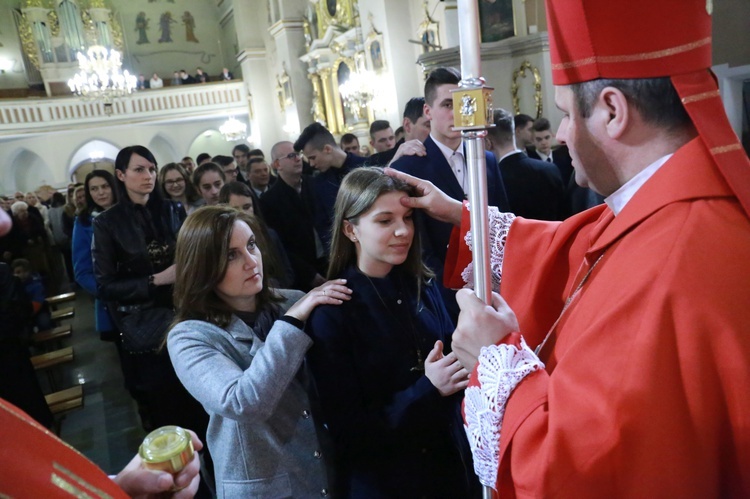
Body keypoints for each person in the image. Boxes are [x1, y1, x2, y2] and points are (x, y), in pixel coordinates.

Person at [385, 0, 750, 495]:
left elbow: (588, 469)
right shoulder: (682, 209)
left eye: (564, 113)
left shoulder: (673, 260)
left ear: (613, 111)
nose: (559, 134)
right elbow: (575, 248)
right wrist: (459, 214)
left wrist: (495, 361)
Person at [305, 167, 474, 497]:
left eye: (408, 218)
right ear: (351, 229)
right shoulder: (334, 310)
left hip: (448, 468)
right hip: (388, 481)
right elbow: (349, 431)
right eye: (385, 221)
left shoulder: (422, 285)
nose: (402, 231)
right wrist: (428, 388)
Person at [167, 205, 351, 498]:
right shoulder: (190, 336)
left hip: (322, 469)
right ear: (203, 266)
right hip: (263, 487)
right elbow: (244, 403)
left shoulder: (292, 301)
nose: (252, 261)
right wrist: (291, 321)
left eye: (251, 245)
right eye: (232, 255)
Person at [92, 146, 210, 446]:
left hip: (186, 314)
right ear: (121, 175)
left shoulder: (172, 210)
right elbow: (105, 285)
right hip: (147, 323)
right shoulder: (107, 222)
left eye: (152, 169)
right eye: (139, 170)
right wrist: (154, 279)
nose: (149, 176)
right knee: (168, 410)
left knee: (202, 404)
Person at [390, 67, 509, 322]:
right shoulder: (408, 168)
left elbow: (502, 218)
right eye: (447, 104)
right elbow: (418, 245)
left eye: (463, 103)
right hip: (441, 296)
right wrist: (455, 293)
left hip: (496, 289)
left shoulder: (487, 160)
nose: (457, 113)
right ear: (428, 111)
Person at [218, 181, 294, 288]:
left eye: (247, 207)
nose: (242, 213)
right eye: (235, 209)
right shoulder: (220, 242)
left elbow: (287, 274)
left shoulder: (270, 235)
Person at [73, 170, 119, 340]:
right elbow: (82, 271)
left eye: (105, 186)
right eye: (94, 189)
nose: (100, 192)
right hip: (112, 301)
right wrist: (110, 292)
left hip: (143, 293)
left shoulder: (130, 212)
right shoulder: (84, 222)